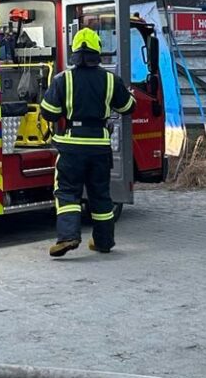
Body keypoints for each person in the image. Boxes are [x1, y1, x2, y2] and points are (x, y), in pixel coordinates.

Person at [39, 27, 136, 257]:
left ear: (74, 52)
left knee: (67, 191)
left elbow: (49, 112)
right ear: (97, 51)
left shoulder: (63, 79)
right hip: (99, 147)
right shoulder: (111, 80)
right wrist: (128, 93)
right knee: (100, 194)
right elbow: (128, 107)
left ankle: (68, 236)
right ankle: (104, 241)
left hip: (71, 146)